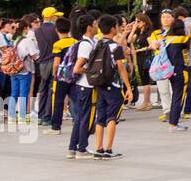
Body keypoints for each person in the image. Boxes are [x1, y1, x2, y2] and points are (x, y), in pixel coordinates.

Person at [91, 14, 134, 160]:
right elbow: (121, 68)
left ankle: (98, 148)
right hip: (114, 86)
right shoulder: (115, 47)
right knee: (112, 118)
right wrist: (128, 87)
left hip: (99, 84)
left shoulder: (97, 43)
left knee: (100, 118)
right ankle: (109, 149)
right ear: (113, 28)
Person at [66, 13, 99, 159]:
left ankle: (73, 148)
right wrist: (92, 70)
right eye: (95, 24)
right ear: (89, 27)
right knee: (86, 118)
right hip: (87, 86)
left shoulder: (87, 42)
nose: (97, 26)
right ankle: (82, 149)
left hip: (81, 86)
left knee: (80, 117)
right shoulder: (86, 45)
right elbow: (77, 68)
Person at [43, 17, 76, 136]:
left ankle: (56, 126)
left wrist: (54, 73)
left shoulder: (57, 44)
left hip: (61, 76)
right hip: (73, 74)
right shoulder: (75, 41)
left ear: (57, 30)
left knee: (58, 101)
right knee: (75, 99)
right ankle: (78, 121)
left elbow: (56, 62)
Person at [163, 17, 191, 132]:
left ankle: (174, 121)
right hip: (181, 71)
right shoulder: (183, 39)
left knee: (175, 95)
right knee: (179, 97)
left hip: (170, 71)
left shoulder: (167, 39)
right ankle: (173, 124)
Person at [11, 14, 41, 124]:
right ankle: (22, 116)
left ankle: (12, 116)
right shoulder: (27, 40)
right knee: (24, 92)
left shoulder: (14, 40)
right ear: (25, 28)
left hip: (14, 69)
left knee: (14, 92)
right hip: (25, 69)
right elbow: (34, 55)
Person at [34, 8, 62, 125]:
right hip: (54, 61)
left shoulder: (37, 30)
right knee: (52, 89)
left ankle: (40, 116)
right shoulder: (56, 29)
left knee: (43, 89)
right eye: (56, 16)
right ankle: (47, 116)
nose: (57, 18)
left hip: (42, 63)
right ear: (51, 17)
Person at [130, 12, 154, 110]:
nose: (136, 23)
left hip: (144, 57)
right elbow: (129, 40)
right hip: (138, 57)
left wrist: (140, 50)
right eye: (135, 21)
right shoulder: (139, 32)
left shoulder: (148, 33)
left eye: (138, 21)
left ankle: (146, 102)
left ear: (144, 22)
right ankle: (147, 102)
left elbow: (151, 45)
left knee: (145, 79)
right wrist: (133, 29)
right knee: (143, 78)